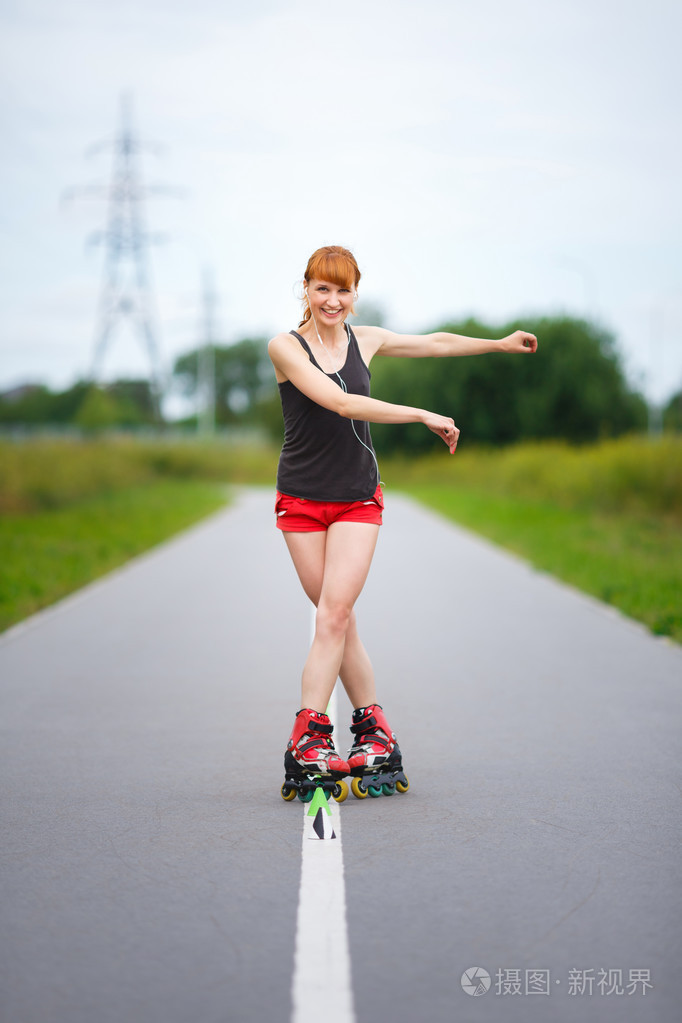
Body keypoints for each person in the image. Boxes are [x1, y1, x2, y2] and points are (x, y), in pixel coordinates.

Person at [268, 245, 537, 802]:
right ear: (306, 289)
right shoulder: (285, 347)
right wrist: (419, 414)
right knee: (337, 622)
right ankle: (376, 734)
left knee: (334, 614)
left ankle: (308, 739)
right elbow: (340, 404)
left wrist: (498, 343)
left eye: (343, 290)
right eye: (323, 289)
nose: (333, 300)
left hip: (356, 498)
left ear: (354, 294)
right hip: (299, 499)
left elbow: (436, 342)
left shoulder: (366, 339)